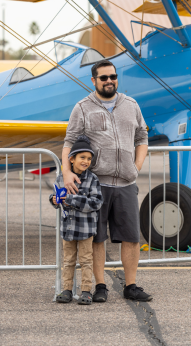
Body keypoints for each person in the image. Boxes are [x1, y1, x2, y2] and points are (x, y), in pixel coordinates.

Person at [62, 59, 151, 302]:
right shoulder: (82, 108)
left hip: (126, 183)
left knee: (131, 237)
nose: (109, 81)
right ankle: (100, 285)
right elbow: (69, 142)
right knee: (97, 237)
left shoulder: (131, 105)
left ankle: (131, 285)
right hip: (96, 185)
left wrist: (137, 166)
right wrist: (67, 172)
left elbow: (142, 136)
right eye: (104, 77)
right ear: (94, 81)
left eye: (113, 76)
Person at [50, 135, 103, 305]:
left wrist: (72, 199)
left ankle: (86, 291)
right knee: (68, 260)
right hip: (68, 228)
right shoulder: (61, 179)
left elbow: (96, 203)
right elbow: (56, 197)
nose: (86, 161)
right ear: (71, 159)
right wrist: (53, 200)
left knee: (86, 260)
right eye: (82, 157)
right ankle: (67, 290)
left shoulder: (92, 179)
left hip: (85, 229)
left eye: (89, 158)